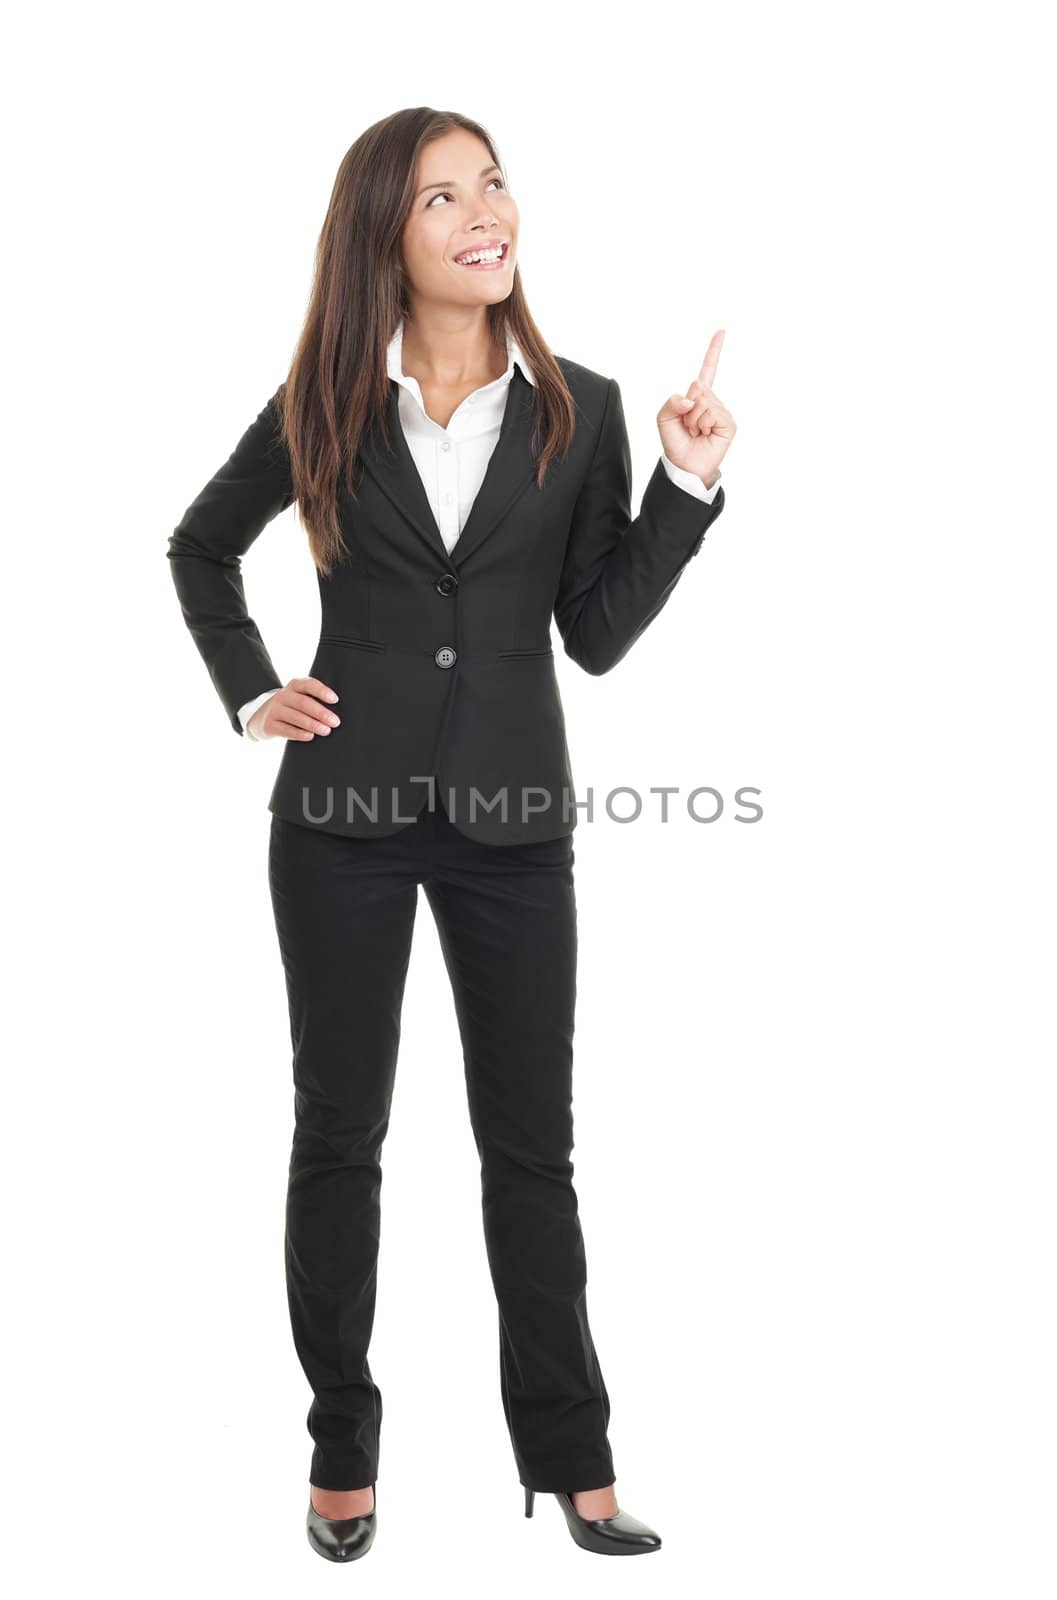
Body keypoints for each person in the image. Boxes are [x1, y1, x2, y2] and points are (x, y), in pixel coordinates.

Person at [167, 107, 735, 1563]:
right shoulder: (322, 397)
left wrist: (679, 486)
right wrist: (251, 694)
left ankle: (575, 1460)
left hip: (511, 827)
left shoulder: (578, 406)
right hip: (340, 821)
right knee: (337, 1140)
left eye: (493, 181)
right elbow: (199, 545)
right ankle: (340, 1452)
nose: (485, 210)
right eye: (442, 195)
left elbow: (592, 637)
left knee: (528, 1151)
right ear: (386, 238)